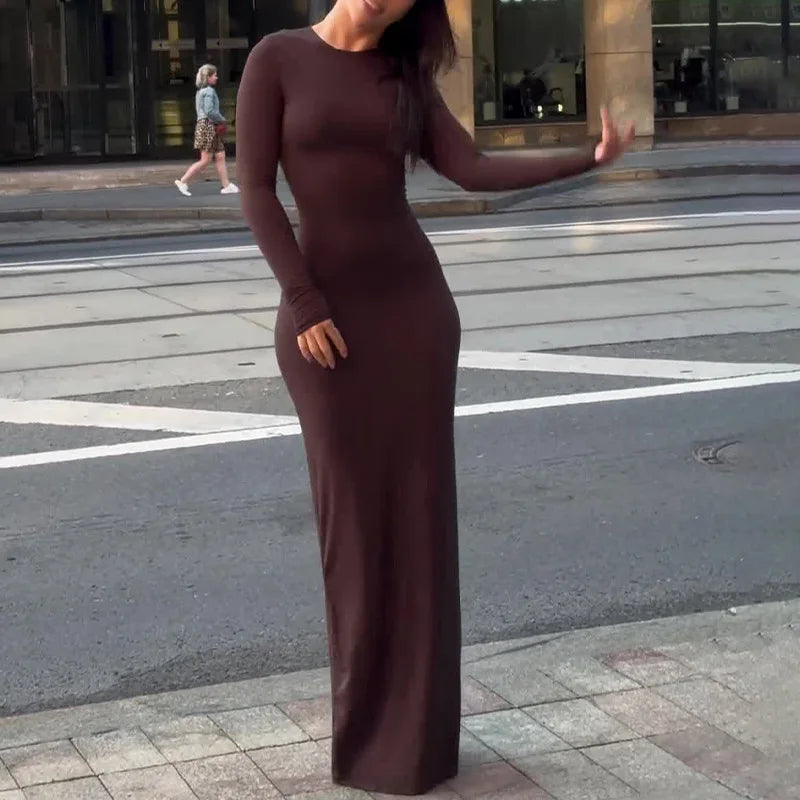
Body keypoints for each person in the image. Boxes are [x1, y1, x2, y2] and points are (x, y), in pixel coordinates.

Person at [235, 0, 633, 795]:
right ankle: (366, 735)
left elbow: (474, 169)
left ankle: (416, 745)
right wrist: (303, 301)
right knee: (351, 524)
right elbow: (254, 188)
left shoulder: (404, 75)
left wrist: (586, 159)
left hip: (413, 315)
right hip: (324, 324)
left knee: (419, 520)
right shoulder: (276, 59)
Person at [175, 64, 239, 197]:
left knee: (220, 156)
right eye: (214, 75)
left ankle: (226, 185)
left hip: (206, 126)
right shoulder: (209, 91)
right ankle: (183, 181)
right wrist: (222, 120)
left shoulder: (200, 92)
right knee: (205, 159)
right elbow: (210, 111)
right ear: (208, 77)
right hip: (209, 126)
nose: (217, 77)